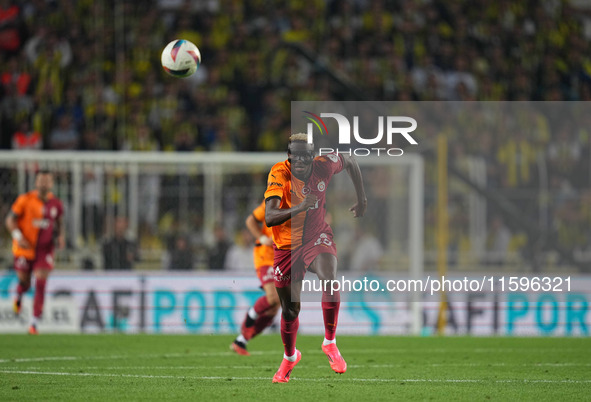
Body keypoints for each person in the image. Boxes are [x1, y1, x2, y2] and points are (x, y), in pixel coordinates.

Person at [264, 133, 366, 383]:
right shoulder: (279, 174)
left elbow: (351, 161)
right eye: (294, 155)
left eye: (304, 155)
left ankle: (330, 343)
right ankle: (290, 357)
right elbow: (269, 217)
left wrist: (361, 198)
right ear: (288, 155)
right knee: (291, 310)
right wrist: (300, 206)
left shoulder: (324, 165)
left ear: (312, 156)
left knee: (329, 278)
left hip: (315, 236)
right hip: (286, 246)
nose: (299, 159)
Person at [5, 170, 65, 335]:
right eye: (41, 180)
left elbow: (60, 222)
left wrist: (60, 237)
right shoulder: (25, 200)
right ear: (36, 182)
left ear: (51, 183)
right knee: (25, 283)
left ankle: (34, 323)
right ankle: (18, 296)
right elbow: (10, 220)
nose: (44, 183)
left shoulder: (56, 204)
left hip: (45, 249)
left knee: (40, 283)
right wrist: (18, 236)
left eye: (47, 181)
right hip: (24, 248)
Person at [231, 200, 280, 356]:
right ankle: (250, 319)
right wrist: (261, 237)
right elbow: (250, 220)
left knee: (274, 308)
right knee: (273, 298)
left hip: (282, 259)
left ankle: (241, 341)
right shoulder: (274, 201)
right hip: (265, 256)